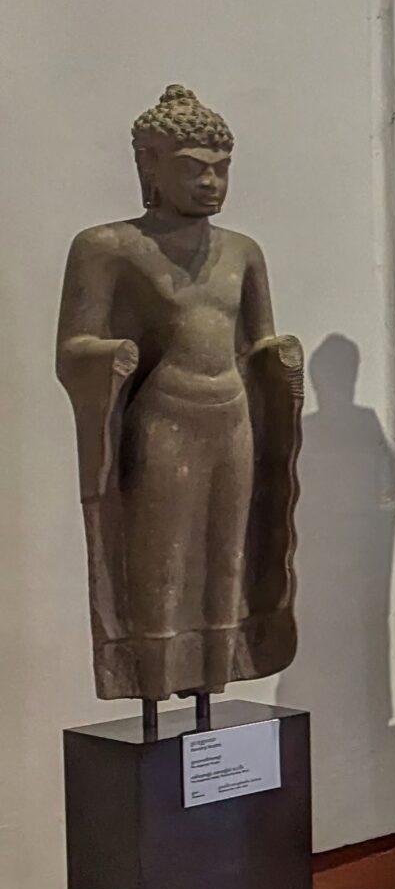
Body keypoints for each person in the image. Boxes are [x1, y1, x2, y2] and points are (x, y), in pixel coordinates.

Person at [57, 84, 302, 705]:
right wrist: (111, 357)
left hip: (233, 417)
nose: (211, 183)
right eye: (193, 169)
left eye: (221, 169)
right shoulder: (107, 247)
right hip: (165, 415)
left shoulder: (244, 253)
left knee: (228, 554)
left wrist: (280, 361)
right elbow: (73, 346)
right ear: (150, 165)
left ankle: (216, 672)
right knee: (161, 557)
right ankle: (152, 680)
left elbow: (256, 342)